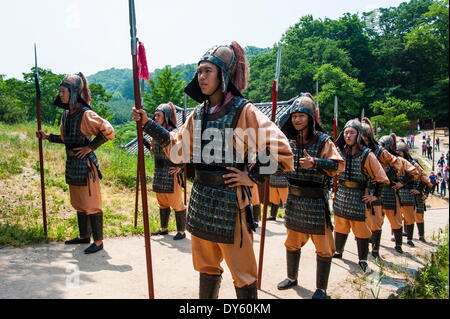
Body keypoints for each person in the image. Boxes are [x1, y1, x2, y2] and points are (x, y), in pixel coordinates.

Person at [132, 41, 294, 299]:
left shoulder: (244, 111)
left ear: (224, 75)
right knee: (206, 268)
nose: (202, 76)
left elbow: (282, 150)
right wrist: (149, 124)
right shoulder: (199, 114)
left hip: (231, 203)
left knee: (243, 274)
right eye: (199, 71)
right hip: (201, 200)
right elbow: (177, 150)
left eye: (208, 70)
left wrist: (251, 175)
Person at [36, 73, 115, 254]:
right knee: (79, 202)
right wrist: (47, 137)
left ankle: (99, 241)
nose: (60, 94)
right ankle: (83, 236)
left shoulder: (86, 114)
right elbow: (66, 138)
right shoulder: (66, 115)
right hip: (72, 164)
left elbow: (109, 131)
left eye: (63, 91)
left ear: (72, 92)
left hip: (86, 167)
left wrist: (91, 147)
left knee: (91, 203)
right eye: (60, 91)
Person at [275, 93, 344, 299]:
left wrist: (316, 162)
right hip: (294, 200)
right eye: (294, 116)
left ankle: (321, 289)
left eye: (301, 116)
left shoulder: (324, 141)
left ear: (310, 118)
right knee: (292, 242)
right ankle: (292, 277)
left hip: (315, 200)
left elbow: (338, 166)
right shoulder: (289, 141)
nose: (296, 120)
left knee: (324, 248)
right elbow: (279, 164)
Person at [332, 119, 389, 272]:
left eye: (351, 132)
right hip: (342, 194)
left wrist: (375, 196)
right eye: (345, 132)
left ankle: (363, 259)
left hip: (359, 196)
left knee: (362, 230)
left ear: (358, 135)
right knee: (340, 225)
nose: (347, 135)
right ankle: (338, 251)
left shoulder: (367, 155)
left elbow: (382, 178)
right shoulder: (338, 152)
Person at [148, 102, 187, 240]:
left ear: (166, 116)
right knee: (162, 202)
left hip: (171, 172)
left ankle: (181, 231)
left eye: (158, 115)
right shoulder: (156, 133)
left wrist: (180, 167)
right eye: (155, 115)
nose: (155, 117)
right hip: (159, 171)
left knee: (176, 203)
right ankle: (163, 228)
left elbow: (186, 152)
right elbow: (153, 151)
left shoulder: (175, 134)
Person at [396, 139, 424, 246]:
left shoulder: (412, 163)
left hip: (408, 191)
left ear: (404, 152)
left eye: (399, 152)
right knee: (396, 216)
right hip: (396, 191)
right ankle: (396, 237)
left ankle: (409, 238)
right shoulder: (394, 162)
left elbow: (421, 176)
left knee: (409, 217)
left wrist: (420, 190)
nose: (397, 154)